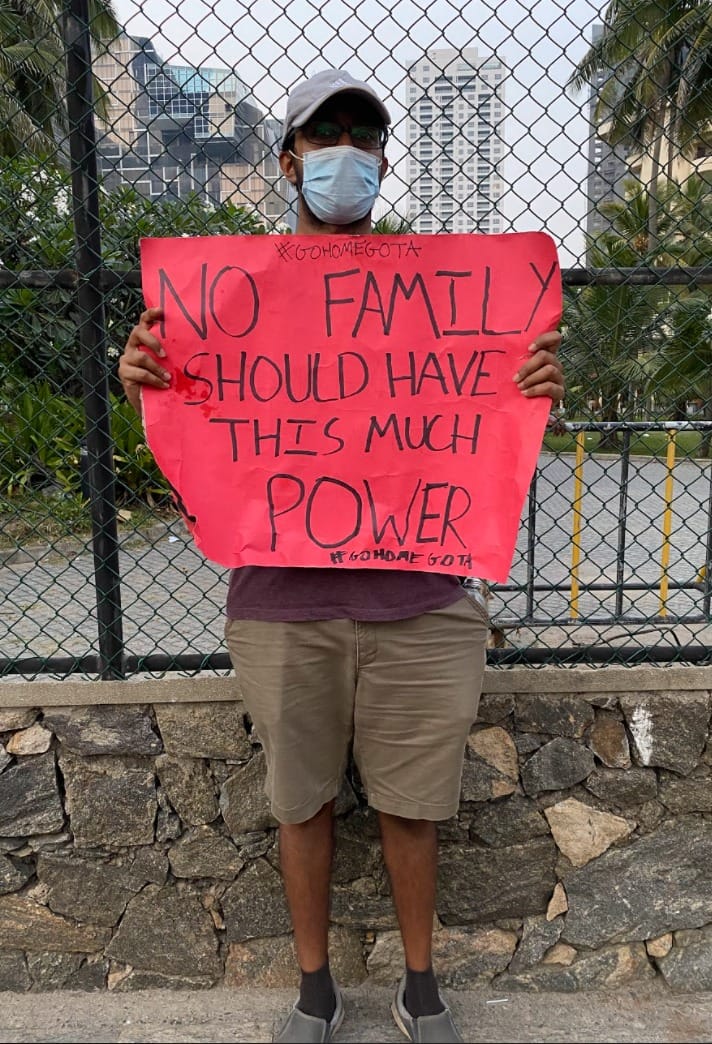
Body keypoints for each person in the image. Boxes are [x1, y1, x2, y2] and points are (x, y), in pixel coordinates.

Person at [119, 68, 565, 1044]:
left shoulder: (443, 296)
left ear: (383, 163)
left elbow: (487, 413)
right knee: (300, 804)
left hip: (423, 601)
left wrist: (529, 382)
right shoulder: (228, 298)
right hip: (282, 604)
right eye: (326, 134)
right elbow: (196, 429)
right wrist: (145, 381)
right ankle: (314, 990)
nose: (347, 151)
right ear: (289, 161)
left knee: (414, 809)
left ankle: (420, 986)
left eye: (364, 135)